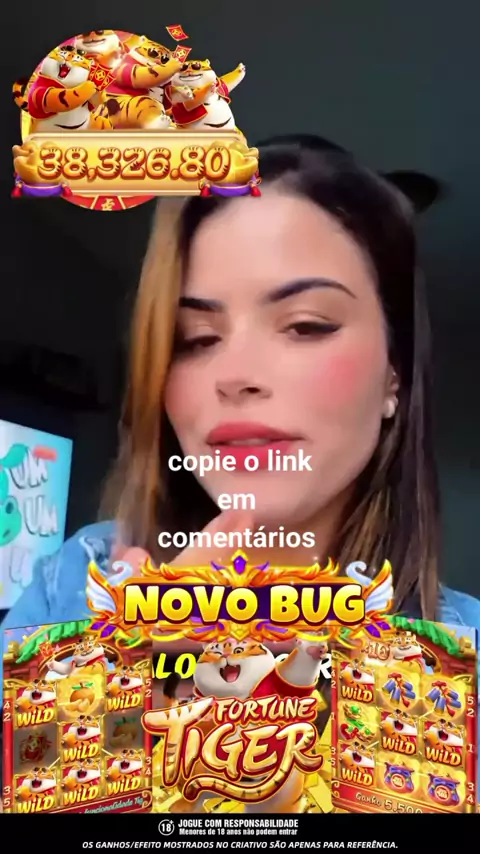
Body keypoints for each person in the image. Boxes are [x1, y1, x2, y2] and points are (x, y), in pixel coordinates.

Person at [2, 134, 479, 632]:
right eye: (194, 339)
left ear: (393, 373)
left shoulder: (464, 651)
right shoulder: (70, 585)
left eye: (306, 325)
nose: (234, 376)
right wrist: (124, 673)